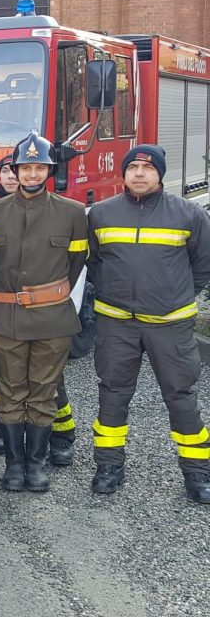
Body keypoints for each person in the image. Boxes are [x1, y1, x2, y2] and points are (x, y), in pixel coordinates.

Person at [86, 145, 210, 503]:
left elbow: (202, 266)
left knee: (181, 397)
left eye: (148, 167)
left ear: (160, 174)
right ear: (123, 174)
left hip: (169, 325)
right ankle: (108, 466)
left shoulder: (188, 214)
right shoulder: (102, 214)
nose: (139, 173)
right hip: (116, 324)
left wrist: (174, 296)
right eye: (133, 167)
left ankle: (198, 471)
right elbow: (94, 263)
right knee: (112, 394)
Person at [0, 133, 87, 493]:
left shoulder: (73, 213)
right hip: (5, 318)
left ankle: (36, 464)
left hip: (52, 319)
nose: (31, 174)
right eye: (25, 167)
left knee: (43, 393)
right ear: (15, 170)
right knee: (11, 392)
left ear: (49, 170)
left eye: (38, 167)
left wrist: (47, 295)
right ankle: (14, 466)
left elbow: (76, 264)